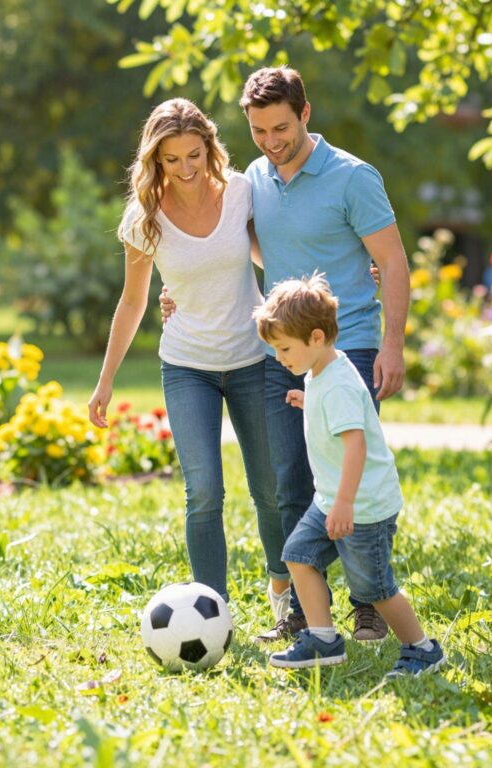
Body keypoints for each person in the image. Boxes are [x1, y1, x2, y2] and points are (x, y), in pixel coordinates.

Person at [162, 67, 412, 643]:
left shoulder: (353, 177)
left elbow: (394, 263)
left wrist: (392, 346)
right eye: (258, 131)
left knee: (350, 473)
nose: (272, 141)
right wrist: (179, 288)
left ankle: (367, 601)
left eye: (280, 127)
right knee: (289, 481)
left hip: (347, 345)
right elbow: (239, 246)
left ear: (305, 113)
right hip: (283, 355)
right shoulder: (254, 178)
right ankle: (304, 613)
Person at [88, 98, 288, 613]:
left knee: (269, 488)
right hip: (187, 366)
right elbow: (133, 300)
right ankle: (211, 609)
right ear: (155, 160)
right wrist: (106, 379)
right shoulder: (145, 218)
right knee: (203, 492)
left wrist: (347, 272)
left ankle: (285, 593)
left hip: (252, 358)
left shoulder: (242, 191)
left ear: (209, 147)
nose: (185, 170)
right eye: (172, 160)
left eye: (194, 156)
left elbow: (271, 255)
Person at [253, 274, 444, 675]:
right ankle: (322, 639)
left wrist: (344, 504)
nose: (281, 357)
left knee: (374, 589)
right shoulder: (322, 374)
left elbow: (355, 445)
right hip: (332, 500)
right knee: (298, 557)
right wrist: (311, 403)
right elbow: (340, 420)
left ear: (317, 337)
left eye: (285, 348)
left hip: (361, 505)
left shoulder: (336, 383)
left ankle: (422, 648)